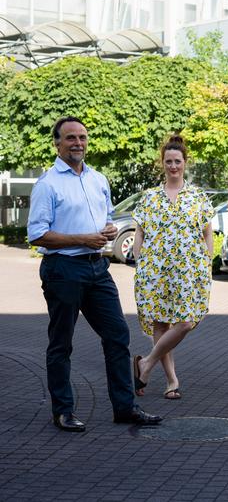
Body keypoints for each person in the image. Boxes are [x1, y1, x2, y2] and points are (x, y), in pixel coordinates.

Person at [27, 116, 162, 432]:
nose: (78, 143)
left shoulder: (98, 179)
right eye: (70, 138)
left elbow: (106, 218)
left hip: (97, 268)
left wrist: (108, 229)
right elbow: (36, 235)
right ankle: (63, 410)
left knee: (117, 334)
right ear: (57, 143)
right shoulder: (48, 184)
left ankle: (125, 407)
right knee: (61, 342)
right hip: (64, 269)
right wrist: (82, 239)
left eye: (82, 137)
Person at [131, 135, 215, 400]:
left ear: (185, 163)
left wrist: (207, 263)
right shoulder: (150, 197)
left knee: (186, 322)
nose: (173, 166)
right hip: (155, 270)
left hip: (189, 271)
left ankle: (145, 362)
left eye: (177, 161)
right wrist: (139, 263)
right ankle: (171, 381)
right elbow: (140, 234)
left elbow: (207, 233)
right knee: (160, 323)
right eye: (168, 161)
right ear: (162, 163)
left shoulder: (197, 197)